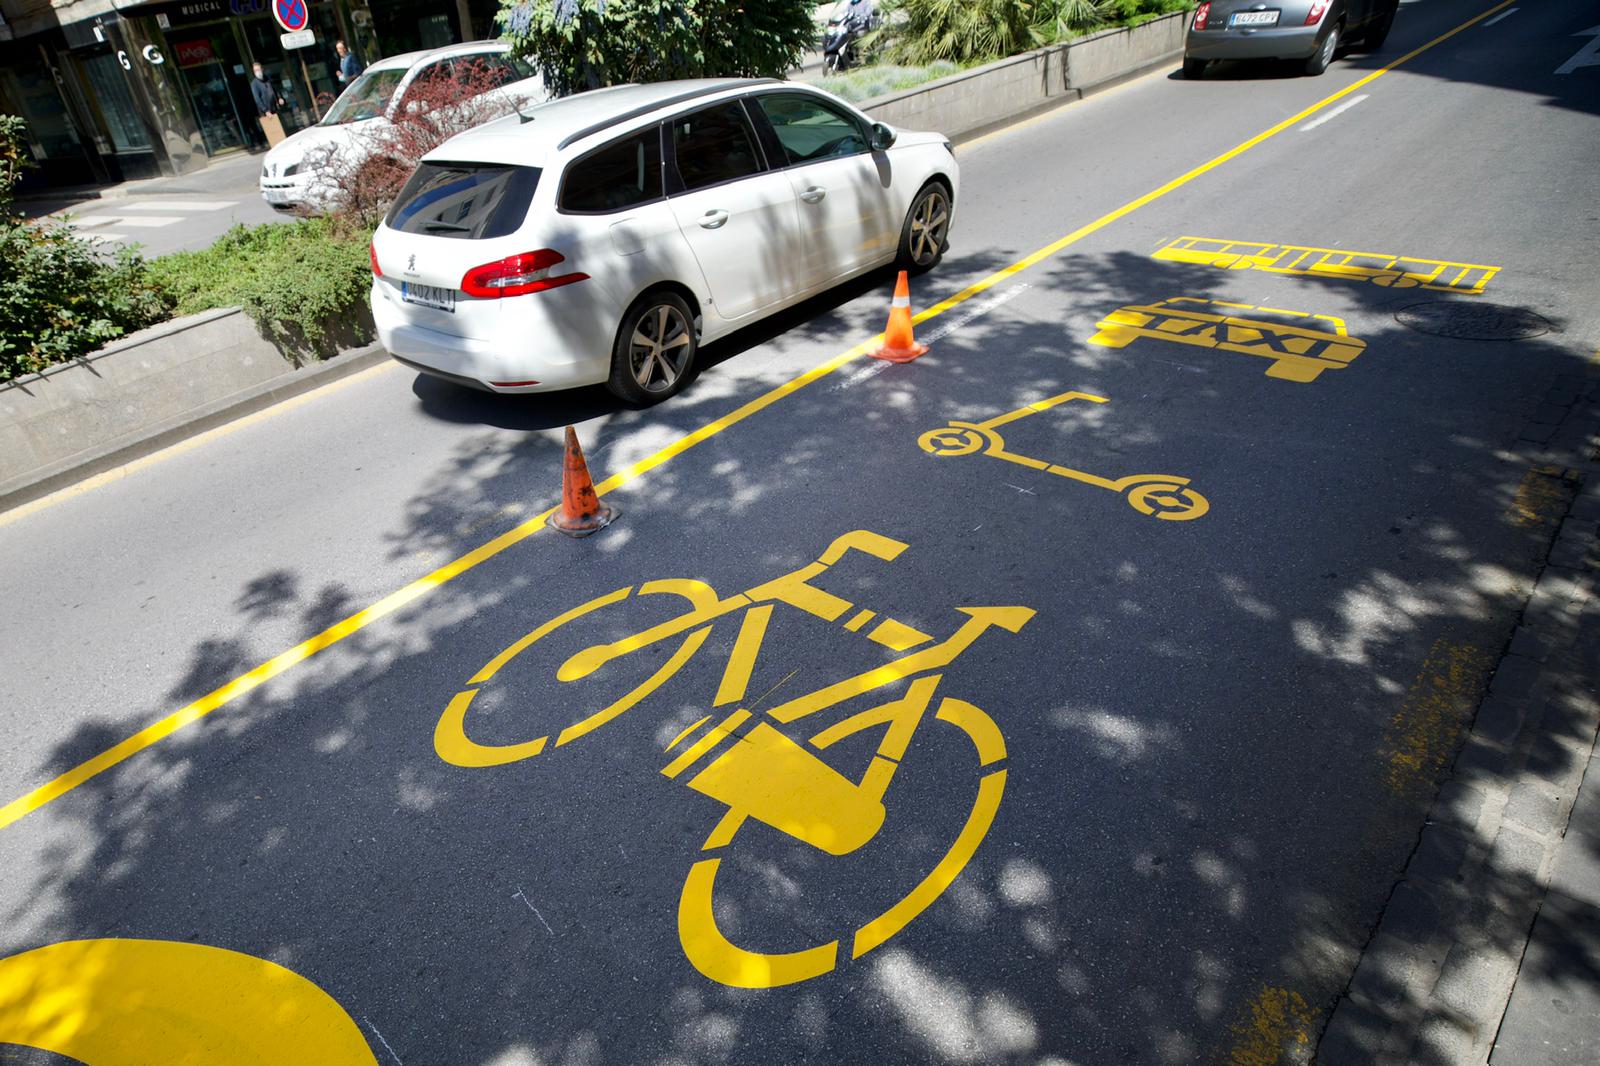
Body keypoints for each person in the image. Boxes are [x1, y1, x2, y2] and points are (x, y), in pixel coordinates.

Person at [250, 63, 286, 147]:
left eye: (258, 70)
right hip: (266, 112)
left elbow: (274, 90)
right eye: (255, 71)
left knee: (280, 128)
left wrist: (279, 98)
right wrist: (265, 110)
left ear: (262, 69)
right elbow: (257, 99)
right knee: (272, 132)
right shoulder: (254, 84)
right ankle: (275, 145)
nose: (257, 72)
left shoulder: (267, 79)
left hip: (274, 108)